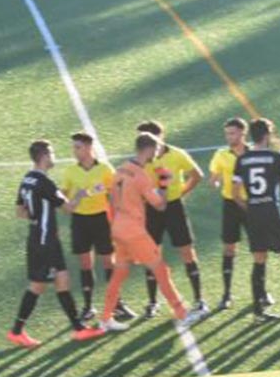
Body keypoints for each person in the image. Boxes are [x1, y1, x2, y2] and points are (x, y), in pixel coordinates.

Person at [99, 133, 203, 332]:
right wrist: (164, 183)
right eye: (155, 150)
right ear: (147, 149)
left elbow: (111, 199)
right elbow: (161, 206)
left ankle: (105, 318)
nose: (157, 154)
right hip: (134, 231)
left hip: (118, 229)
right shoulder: (141, 176)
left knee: (119, 273)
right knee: (160, 270)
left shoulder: (120, 169)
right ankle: (182, 313)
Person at [7, 141, 106, 348]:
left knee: (62, 280)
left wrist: (39, 218)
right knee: (38, 285)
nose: (54, 156)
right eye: (51, 153)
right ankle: (17, 331)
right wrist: (81, 194)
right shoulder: (45, 183)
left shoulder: (27, 179)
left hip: (39, 237)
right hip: (45, 241)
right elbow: (68, 208)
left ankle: (78, 329)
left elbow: (20, 211)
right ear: (43, 156)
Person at [232, 118, 280, 322]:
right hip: (272, 211)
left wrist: (251, 209)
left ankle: (258, 312)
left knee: (259, 260)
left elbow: (235, 194)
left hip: (254, 213)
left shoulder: (242, 159)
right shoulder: (275, 158)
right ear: (267, 135)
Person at [59, 131, 134, 323]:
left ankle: (117, 303)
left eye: (78, 147)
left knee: (108, 262)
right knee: (85, 264)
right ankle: (88, 306)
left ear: (89, 148)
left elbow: (116, 191)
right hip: (80, 221)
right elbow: (62, 197)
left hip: (101, 219)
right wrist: (71, 200)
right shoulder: (70, 172)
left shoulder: (105, 170)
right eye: (74, 147)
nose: (75, 151)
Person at [137, 121, 206, 317]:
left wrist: (181, 193)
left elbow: (196, 175)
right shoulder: (144, 160)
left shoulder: (177, 154)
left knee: (186, 251)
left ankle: (199, 299)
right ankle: (152, 302)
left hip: (174, 207)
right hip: (152, 208)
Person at [208, 117, 250, 310]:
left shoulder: (254, 153)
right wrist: (215, 183)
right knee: (229, 248)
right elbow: (214, 177)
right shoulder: (221, 154)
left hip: (251, 204)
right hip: (231, 204)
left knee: (259, 248)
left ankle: (262, 292)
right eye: (227, 134)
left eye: (232, 133)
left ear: (243, 133)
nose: (228, 137)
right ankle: (226, 294)